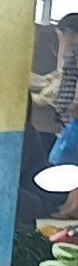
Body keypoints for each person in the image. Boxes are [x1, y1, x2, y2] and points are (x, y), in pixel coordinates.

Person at [52, 14, 78, 218]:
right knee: (72, 162)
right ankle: (71, 202)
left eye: (62, 34)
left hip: (76, 113)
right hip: (71, 114)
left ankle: (74, 207)